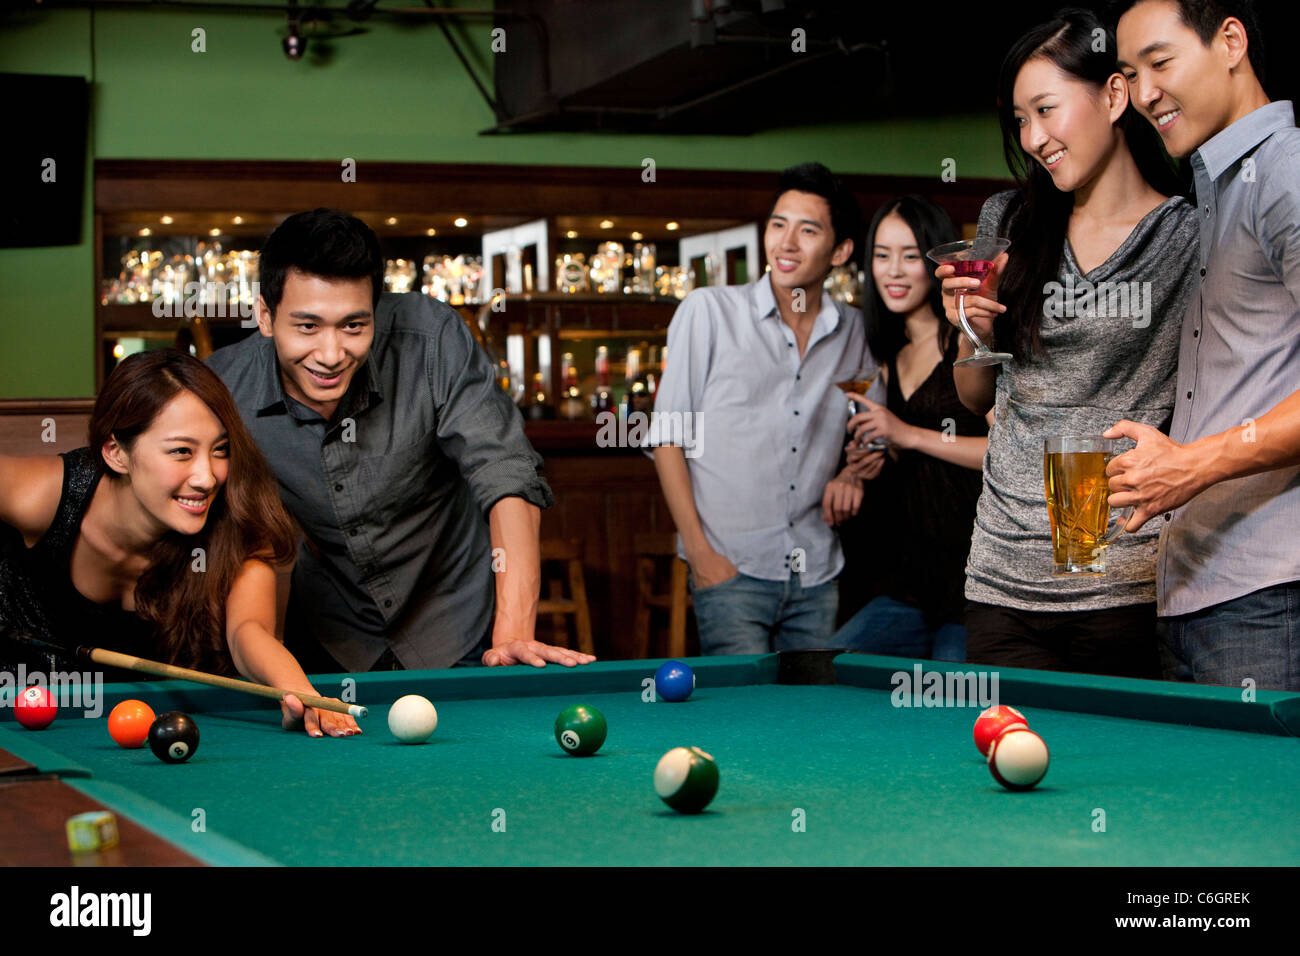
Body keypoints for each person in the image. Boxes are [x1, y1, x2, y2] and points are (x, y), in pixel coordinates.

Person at [207, 209, 591, 673]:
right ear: (265, 317)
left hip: (455, 625)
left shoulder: (430, 340)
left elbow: (505, 471)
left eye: (354, 325)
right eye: (307, 326)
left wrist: (512, 632)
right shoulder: (223, 388)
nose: (331, 355)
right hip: (330, 639)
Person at [936, 8, 1200, 677]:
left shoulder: (1185, 235)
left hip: (1123, 577)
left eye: (1046, 110)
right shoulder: (1011, 220)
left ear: (1115, 96)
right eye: (1021, 120)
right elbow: (975, 395)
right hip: (1001, 572)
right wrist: (974, 327)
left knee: (1119, 778)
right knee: (1006, 759)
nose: (1033, 137)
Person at [0, 350, 358, 737]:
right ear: (117, 453)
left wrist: (298, 690)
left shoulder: (236, 524)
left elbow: (248, 631)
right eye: (181, 452)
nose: (207, 477)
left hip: (151, 742)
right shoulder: (40, 495)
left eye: (220, 450)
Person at [1106, 0, 1300, 691]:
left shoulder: (1286, 169)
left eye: (1160, 62)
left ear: (1230, 42)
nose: (1146, 92)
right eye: (1131, 73)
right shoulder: (1216, 182)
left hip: (1268, 595)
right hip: (1198, 594)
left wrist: (1192, 465)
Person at [647, 162, 880, 654]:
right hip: (731, 570)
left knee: (814, 720)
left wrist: (854, 475)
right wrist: (703, 557)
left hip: (818, 569)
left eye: (807, 229)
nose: (786, 242)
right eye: (778, 224)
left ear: (840, 251)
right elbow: (667, 439)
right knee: (741, 721)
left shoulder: (856, 331)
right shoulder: (708, 312)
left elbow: (874, 430)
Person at [832, 196, 991, 662]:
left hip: (974, 579)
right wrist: (862, 467)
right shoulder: (889, 357)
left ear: (937, 263)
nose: (893, 271)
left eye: (909, 256)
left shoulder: (967, 338)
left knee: (954, 708)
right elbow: (905, 456)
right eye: (882, 256)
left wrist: (907, 435)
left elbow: (1005, 452)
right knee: (829, 667)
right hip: (907, 582)